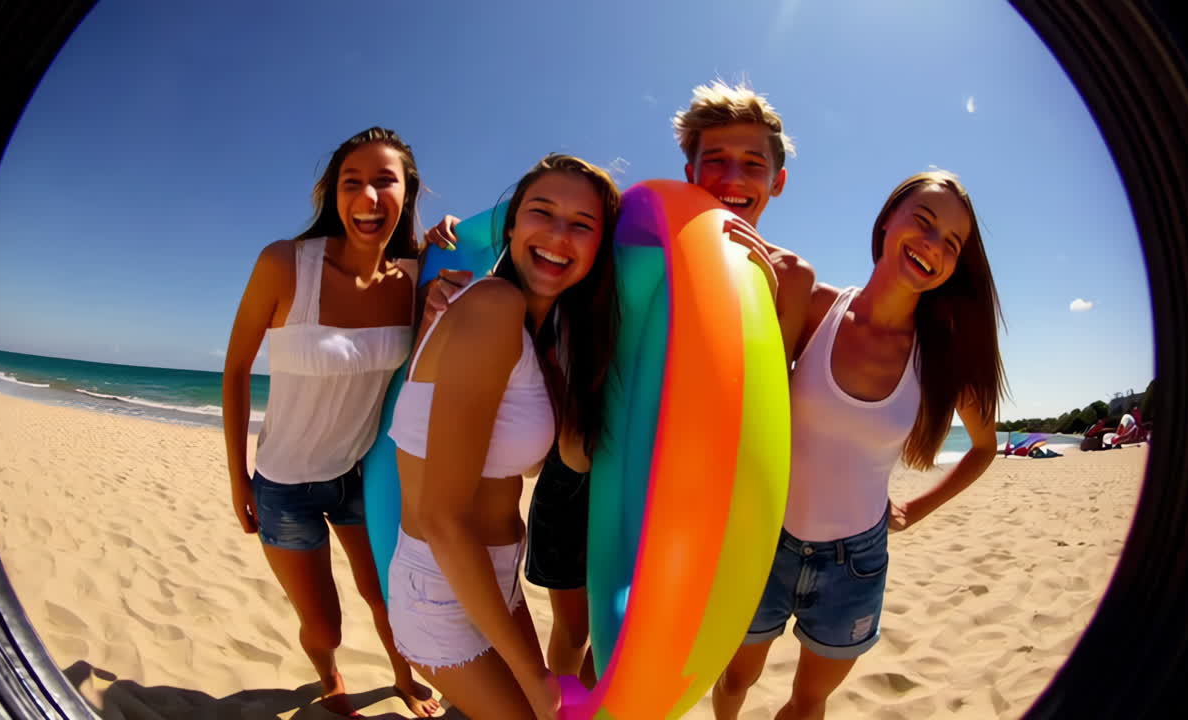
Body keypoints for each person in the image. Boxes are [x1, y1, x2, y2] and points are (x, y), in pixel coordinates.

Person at [420, 80, 814, 687]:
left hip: (677, 479)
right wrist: (451, 252)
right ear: (690, 171)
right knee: (574, 631)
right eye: (715, 161)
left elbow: (768, 392)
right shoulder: (643, 230)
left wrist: (755, 294)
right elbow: (544, 234)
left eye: (753, 164)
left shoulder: (788, 274)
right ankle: (557, 699)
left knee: (640, 637)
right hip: (574, 471)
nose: (733, 176)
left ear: (777, 181)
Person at [712, 170, 1008, 720]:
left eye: (951, 244)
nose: (932, 246)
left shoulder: (940, 361)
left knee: (809, 701)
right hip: (765, 544)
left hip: (855, 565)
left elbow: (984, 447)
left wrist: (915, 510)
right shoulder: (815, 308)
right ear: (887, 221)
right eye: (922, 222)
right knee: (735, 677)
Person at [386, 154, 622, 720]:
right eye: (542, 212)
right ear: (511, 225)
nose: (559, 236)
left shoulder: (534, 335)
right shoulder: (493, 305)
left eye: (583, 225)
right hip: (442, 585)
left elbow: (571, 458)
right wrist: (534, 674)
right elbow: (442, 516)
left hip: (494, 582)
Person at [222, 128, 440, 718]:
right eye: (353, 182)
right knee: (325, 625)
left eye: (385, 180)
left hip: (361, 474)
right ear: (334, 194)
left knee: (386, 597)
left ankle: (403, 677)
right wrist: (239, 480)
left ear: (406, 191)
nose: (368, 196)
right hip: (284, 484)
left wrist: (448, 246)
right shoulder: (285, 264)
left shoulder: (415, 278)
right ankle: (329, 677)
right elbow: (237, 368)